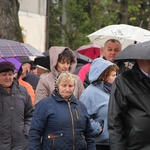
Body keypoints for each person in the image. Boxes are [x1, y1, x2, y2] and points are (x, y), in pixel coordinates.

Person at [28, 72, 96, 150]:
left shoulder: (81, 106)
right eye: (64, 85)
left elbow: (89, 135)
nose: (67, 89)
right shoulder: (45, 105)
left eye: (70, 86)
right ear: (57, 86)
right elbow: (35, 133)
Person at [108, 59, 150, 150]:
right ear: (139, 60)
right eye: (149, 60)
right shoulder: (124, 80)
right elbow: (114, 120)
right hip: (135, 145)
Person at [79, 58, 119, 150]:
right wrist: (99, 129)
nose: (116, 77)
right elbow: (82, 117)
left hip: (114, 142)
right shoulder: (89, 93)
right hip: (98, 143)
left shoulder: (115, 90)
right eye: (113, 75)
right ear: (103, 76)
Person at [0, 62, 33, 150]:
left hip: (20, 144)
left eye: (10, 74)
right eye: (4, 75)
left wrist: (25, 131)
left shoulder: (22, 91)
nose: (7, 78)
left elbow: (30, 114)